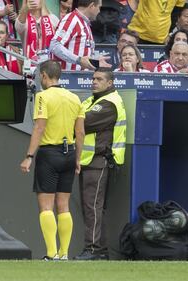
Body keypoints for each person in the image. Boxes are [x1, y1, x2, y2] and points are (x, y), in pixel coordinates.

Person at [20, 60, 85, 261]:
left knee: (46, 206)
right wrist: (78, 158)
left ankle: (51, 253)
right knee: (63, 205)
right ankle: (64, 254)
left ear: (44, 76)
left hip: (49, 154)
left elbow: (39, 127)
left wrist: (29, 156)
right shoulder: (75, 98)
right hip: (69, 153)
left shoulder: (43, 96)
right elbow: (80, 132)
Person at [74, 67, 126, 260]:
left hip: (99, 161)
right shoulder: (92, 100)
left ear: (109, 83)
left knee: (92, 206)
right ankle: (100, 251)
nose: (94, 82)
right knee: (93, 207)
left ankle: (93, 250)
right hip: (89, 161)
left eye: (99, 79)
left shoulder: (108, 103)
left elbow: (81, 123)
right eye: (93, 78)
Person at [50, 0, 106, 71]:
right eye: (99, 7)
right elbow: (54, 45)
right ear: (92, 6)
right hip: (68, 78)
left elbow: (83, 55)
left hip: (81, 78)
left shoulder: (85, 23)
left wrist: (95, 61)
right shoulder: (72, 20)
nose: (99, 11)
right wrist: (79, 60)